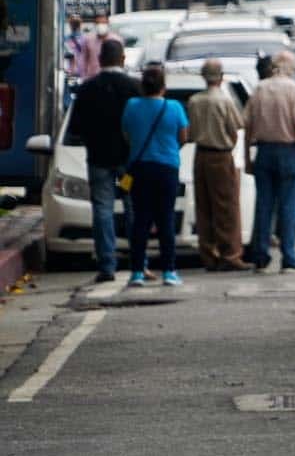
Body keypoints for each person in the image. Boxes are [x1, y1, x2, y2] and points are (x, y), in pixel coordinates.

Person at [66, 39, 140, 282]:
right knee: (133, 206)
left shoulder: (87, 89)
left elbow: (76, 128)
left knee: (102, 208)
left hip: (99, 159)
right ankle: (139, 262)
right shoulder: (134, 87)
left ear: (99, 59)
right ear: (123, 59)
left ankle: (107, 264)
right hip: (128, 162)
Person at [121, 63, 189, 286]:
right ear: (163, 87)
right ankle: (169, 271)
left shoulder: (132, 105)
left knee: (141, 219)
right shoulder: (174, 107)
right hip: (167, 168)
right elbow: (183, 137)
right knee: (165, 219)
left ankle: (137, 271)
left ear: (142, 86)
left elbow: (126, 134)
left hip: (140, 168)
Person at [244, 49, 295, 272]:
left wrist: (247, 157)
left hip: (264, 150)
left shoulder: (260, 89)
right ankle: (289, 255)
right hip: (288, 150)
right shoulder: (293, 89)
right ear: (289, 68)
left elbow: (248, 125)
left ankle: (260, 255)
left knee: (264, 205)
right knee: (289, 205)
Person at [187, 58, 250, 271]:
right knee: (227, 207)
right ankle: (230, 254)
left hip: (200, 155)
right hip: (221, 156)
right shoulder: (224, 100)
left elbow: (191, 132)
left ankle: (208, 254)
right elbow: (236, 127)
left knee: (204, 206)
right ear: (221, 77)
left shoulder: (194, 101)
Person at [77, 10, 122, 81]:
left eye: (103, 23)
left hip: (112, 79)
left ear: (108, 23)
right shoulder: (88, 40)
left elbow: (121, 60)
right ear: (95, 24)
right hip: (93, 79)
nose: (101, 25)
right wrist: (84, 77)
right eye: (98, 23)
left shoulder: (116, 40)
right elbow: (83, 60)